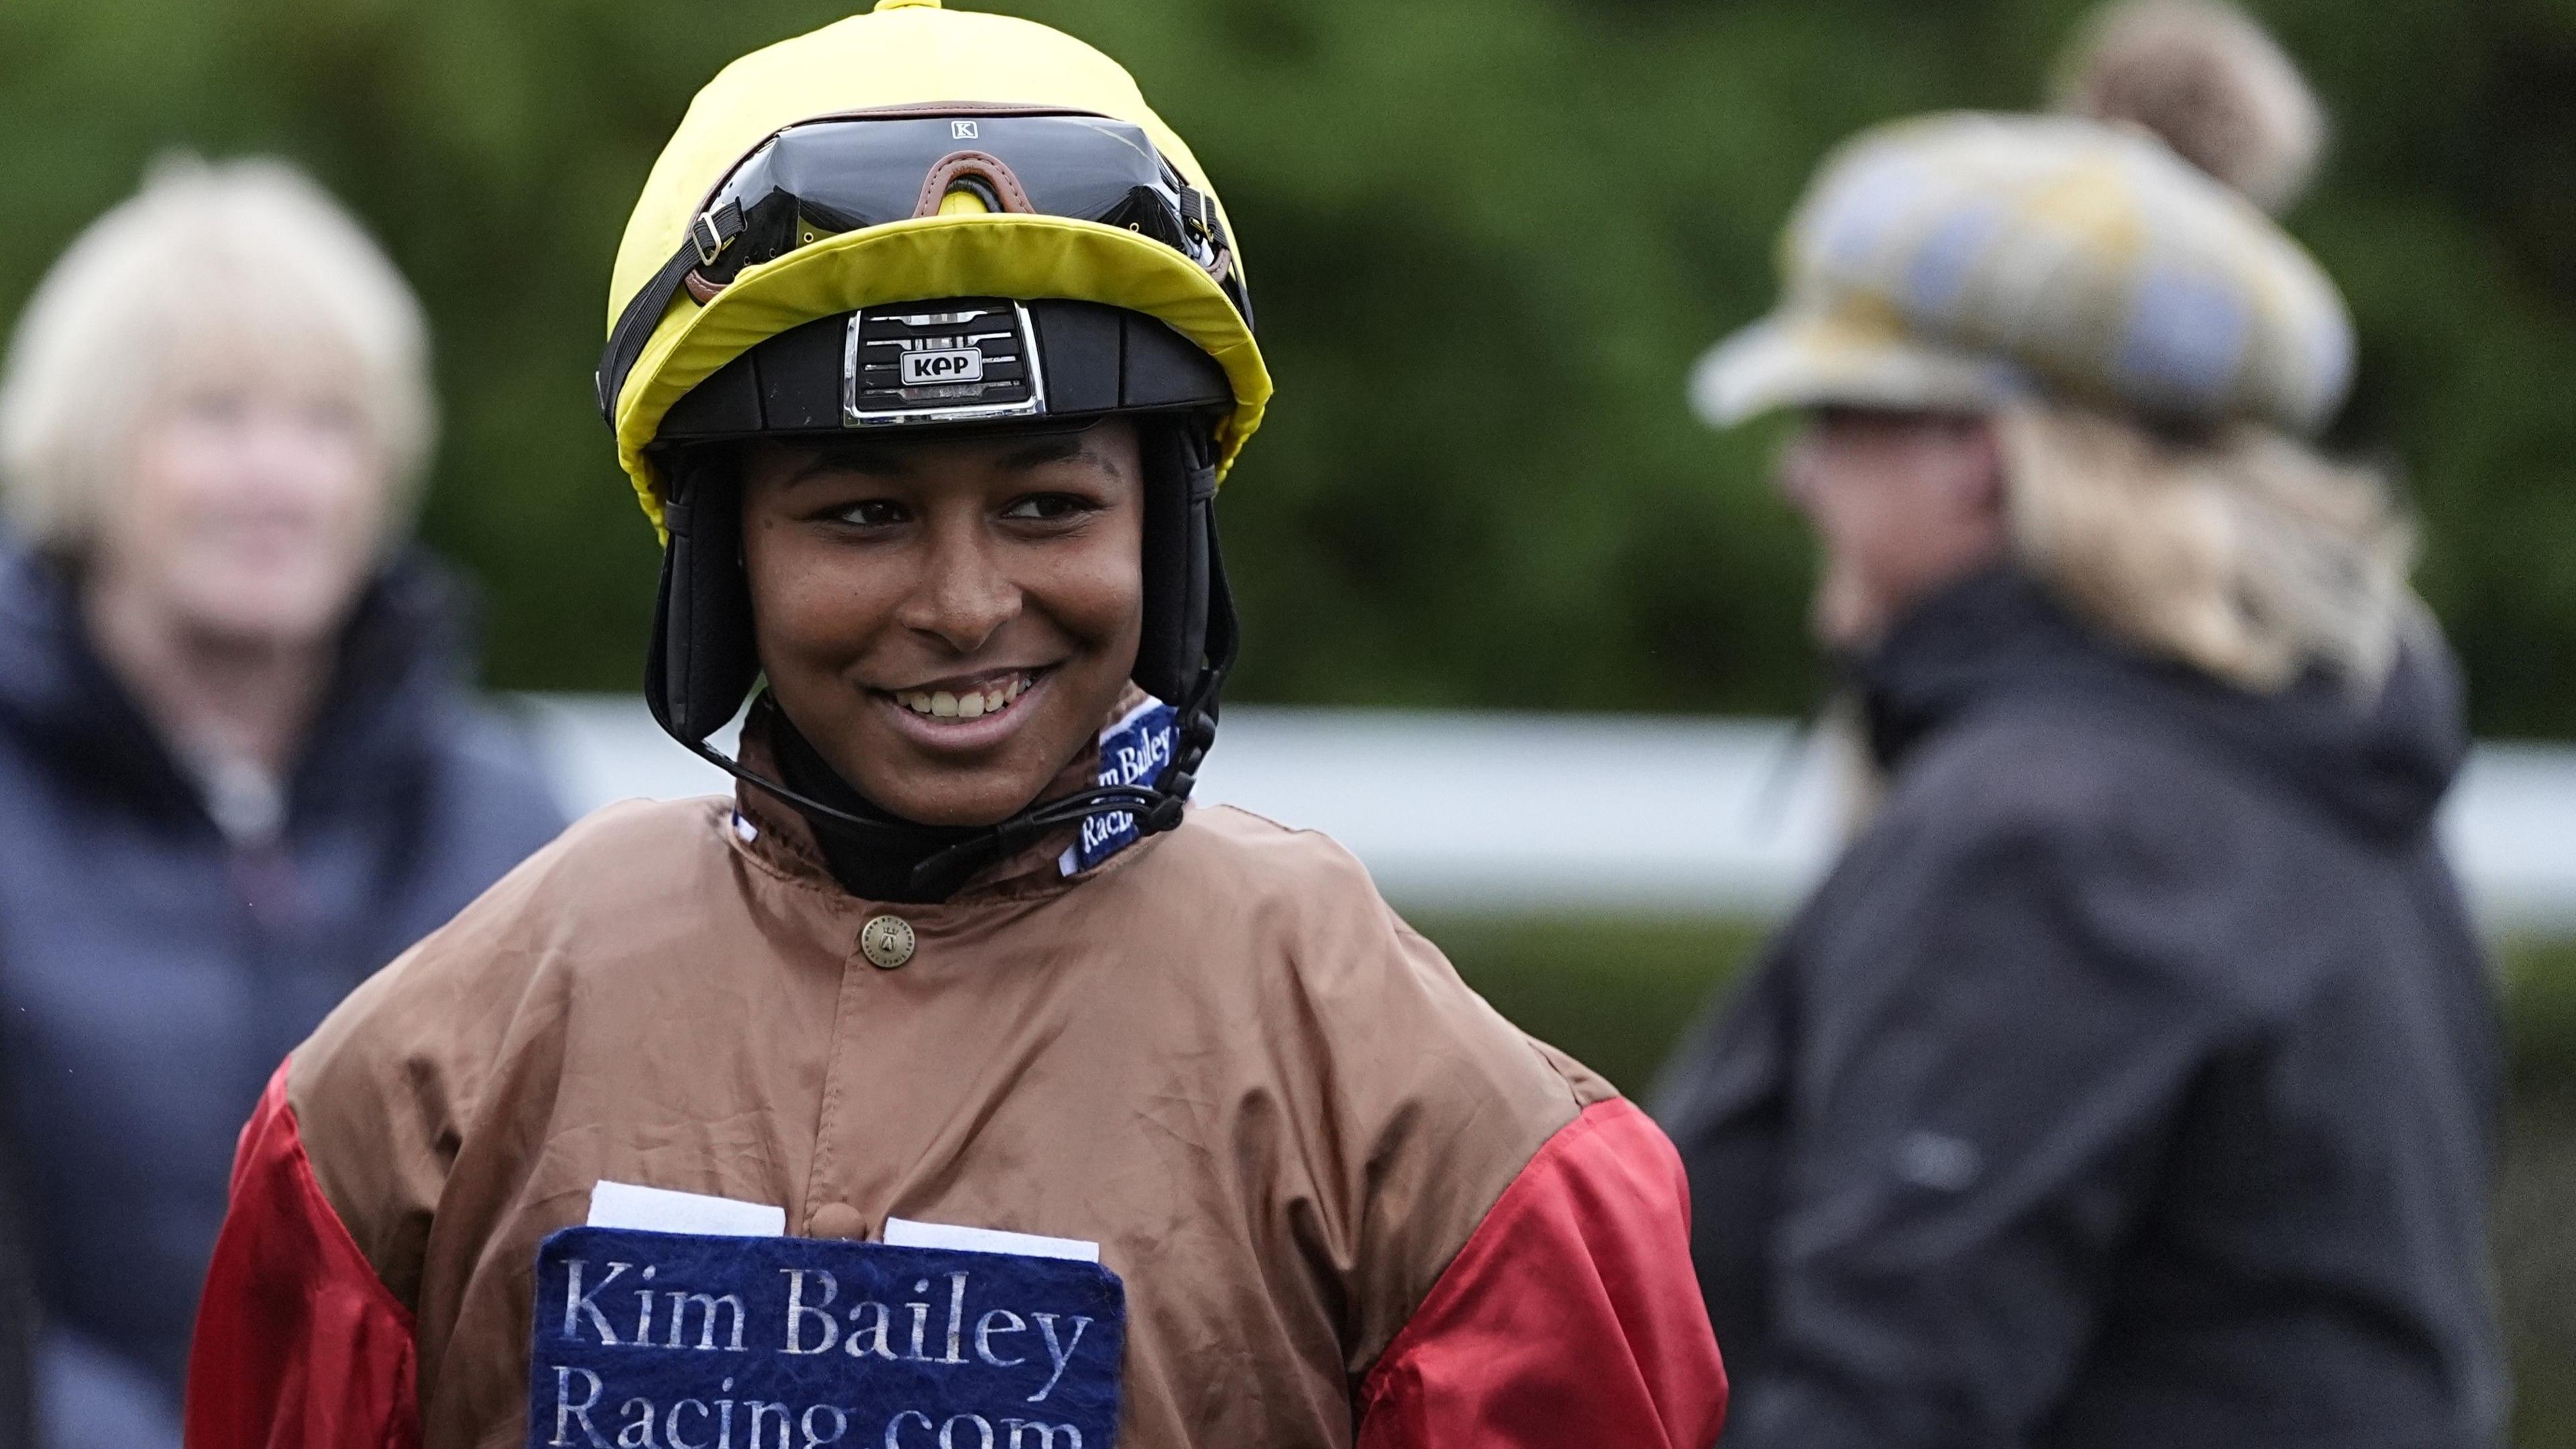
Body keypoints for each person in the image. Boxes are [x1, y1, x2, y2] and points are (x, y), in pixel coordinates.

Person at [184, 5, 1731, 1446]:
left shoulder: (1430, 1117)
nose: (966, 602)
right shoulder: (416, 1087)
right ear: (725, 558)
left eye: (1049, 505)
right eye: (861, 514)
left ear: (1169, 538)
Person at [1650, 3, 2506, 1446]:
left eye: (1840, 416)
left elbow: (1886, 1400)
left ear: (1982, 452)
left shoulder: (2048, 834)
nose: (1797, 478)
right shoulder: (2323, 797)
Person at [0, 159, 567, 1444]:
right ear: (92, 447)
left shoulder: (508, 823)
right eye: (216, 416)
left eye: (328, 422)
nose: (280, 476)